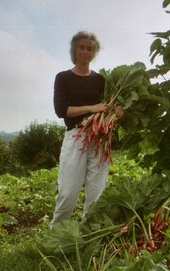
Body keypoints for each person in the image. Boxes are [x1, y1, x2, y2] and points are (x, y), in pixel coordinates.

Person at [50, 31, 123, 227]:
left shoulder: (100, 80)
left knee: (96, 193)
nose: (85, 51)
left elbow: (105, 109)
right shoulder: (63, 78)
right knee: (68, 192)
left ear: (94, 53)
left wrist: (116, 112)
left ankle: (88, 233)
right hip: (76, 137)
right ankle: (56, 233)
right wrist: (92, 108)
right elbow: (61, 110)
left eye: (89, 48)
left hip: (99, 139)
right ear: (74, 50)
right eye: (81, 47)